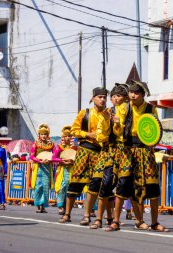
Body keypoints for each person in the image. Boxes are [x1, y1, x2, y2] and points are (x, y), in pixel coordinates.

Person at [123, 79, 168, 232]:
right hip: (130, 151)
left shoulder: (151, 108)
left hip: (147, 151)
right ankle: (139, 220)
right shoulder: (124, 108)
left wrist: (152, 141)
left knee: (153, 187)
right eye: (131, 92)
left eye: (136, 92)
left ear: (143, 95)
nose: (133, 95)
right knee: (134, 188)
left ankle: (155, 222)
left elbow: (155, 129)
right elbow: (118, 129)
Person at [59, 87, 108, 224]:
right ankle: (67, 214)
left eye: (104, 97)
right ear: (93, 98)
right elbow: (74, 130)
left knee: (95, 184)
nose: (102, 99)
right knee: (75, 182)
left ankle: (87, 215)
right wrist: (87, 134)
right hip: (84, 150)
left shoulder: (108, 115)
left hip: (100, 153)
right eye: (100, 97)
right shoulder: (85, 113)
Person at [89, 83, 132, 230]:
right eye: (113, 96)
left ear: (126, 98)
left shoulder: (131, 111)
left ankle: (116, 220)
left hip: (127, 152)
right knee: (105, 183)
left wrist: (120, 124)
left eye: (118, 95)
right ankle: (98, 218)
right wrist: (108, 121)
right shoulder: (107, 113)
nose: (114, 98)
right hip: (111, 152)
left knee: (124, 185)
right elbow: (101, 136)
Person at [30, 124, 55, 213]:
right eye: (42, 134)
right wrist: (40, 161)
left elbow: (54, 156)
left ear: (47, 135)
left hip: (47, 167)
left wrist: (50, 160)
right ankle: (38, 204)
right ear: (39, 135)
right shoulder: (35, 144)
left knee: (45, 186)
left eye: (45, 134)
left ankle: (43, 206)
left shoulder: (51, 144)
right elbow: (32, 156)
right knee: (38, 187)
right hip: (38, 167)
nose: (44, 136)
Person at [52, 126, 77, 215]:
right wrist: (62, 161)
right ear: (63, 137)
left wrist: (72, 161)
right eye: (66, 136)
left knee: (70, 188)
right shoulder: (59, 147)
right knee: (61, 187)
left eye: (69, 136)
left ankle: (67, 207)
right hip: (62, 169)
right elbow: (53, 158)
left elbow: (77, 158)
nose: (67, 138)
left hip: (71, 169)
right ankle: (60, 206)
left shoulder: (74, 148)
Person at [0, 141, 7, 210]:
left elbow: (5, 161)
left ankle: (2, 203)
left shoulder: (1, 149)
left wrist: (5, 172)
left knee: (1, 186)